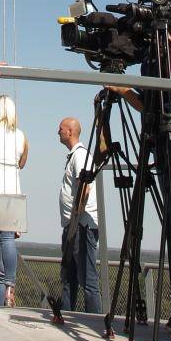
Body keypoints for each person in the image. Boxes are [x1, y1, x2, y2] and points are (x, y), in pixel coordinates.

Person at [58, 116, 101, 313]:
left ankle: (94, 321)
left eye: (60, 129)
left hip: (81, 225)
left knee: (87, 279)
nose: (58, 132)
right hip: (73, 225)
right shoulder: (75, 156)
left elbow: (85, 187)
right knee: (69, 276)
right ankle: (67, 315)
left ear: (70, 132)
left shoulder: (80, 156)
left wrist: (76, 215)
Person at [0, 94, 27, 307]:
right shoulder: (21, 135)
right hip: (13, 191)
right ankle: (9, 284)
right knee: (7, 241)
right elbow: (22, 162)